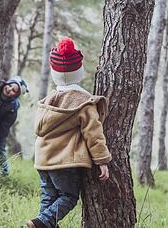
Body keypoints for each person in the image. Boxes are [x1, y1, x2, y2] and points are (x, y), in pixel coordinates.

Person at [27, 37, 111, 228]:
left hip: (43, 160)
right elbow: (94, 134)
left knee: (48, 199)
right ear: (79, 72)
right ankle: (41, 222)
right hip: (64, 162)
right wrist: (103, 161)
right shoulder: (83, 102)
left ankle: (42, 223)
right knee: (68, 197)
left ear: (54, 73)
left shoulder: (48, 102)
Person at [0, 76, 28, 176]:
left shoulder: (12, 107)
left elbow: (5, 126)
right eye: (10, 85)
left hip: (0, 131)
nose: (9, 89)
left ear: (15, 95)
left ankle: (4, 174)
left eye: (13, 90)